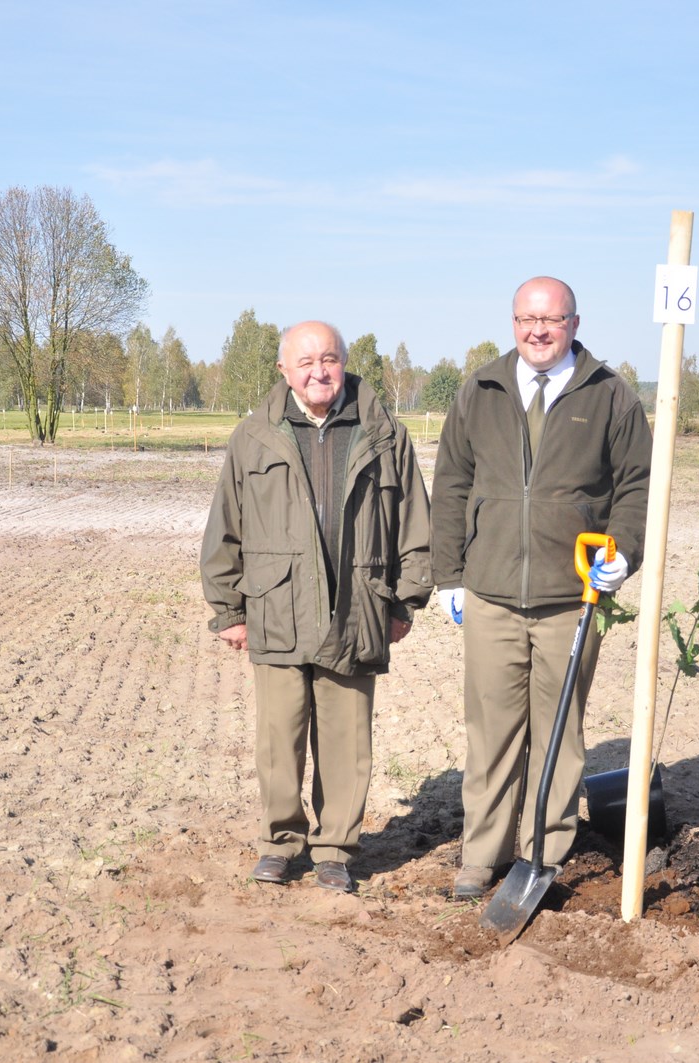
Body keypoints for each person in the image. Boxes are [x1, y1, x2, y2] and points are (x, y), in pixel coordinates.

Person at [431, 276, 652, 900]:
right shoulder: (481, 389)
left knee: (561, 726)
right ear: (512, 322)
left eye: (552, 320)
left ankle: (545, 849)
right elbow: (450, 483)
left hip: (571, 597)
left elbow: (636, 485)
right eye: (528, 319)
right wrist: (449, 574)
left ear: (574, 324)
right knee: (492, 729)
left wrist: (624, 554)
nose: (539, 331)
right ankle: (483, 852)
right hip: (491, 593)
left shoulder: (610, 396)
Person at [201, 320, 432, 895]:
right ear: (284, 371)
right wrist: (229, 609)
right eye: (305, 362)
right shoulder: (253, 437)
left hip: (358, 607)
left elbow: (413, 523)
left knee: (347, 739)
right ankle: (280, 844)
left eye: (328, 359)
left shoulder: (384, 434)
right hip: (277, 606)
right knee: (279, 739)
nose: (318, 371)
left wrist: (405, 600)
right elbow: (224, 527)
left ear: (345, 364)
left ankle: (334, 850)